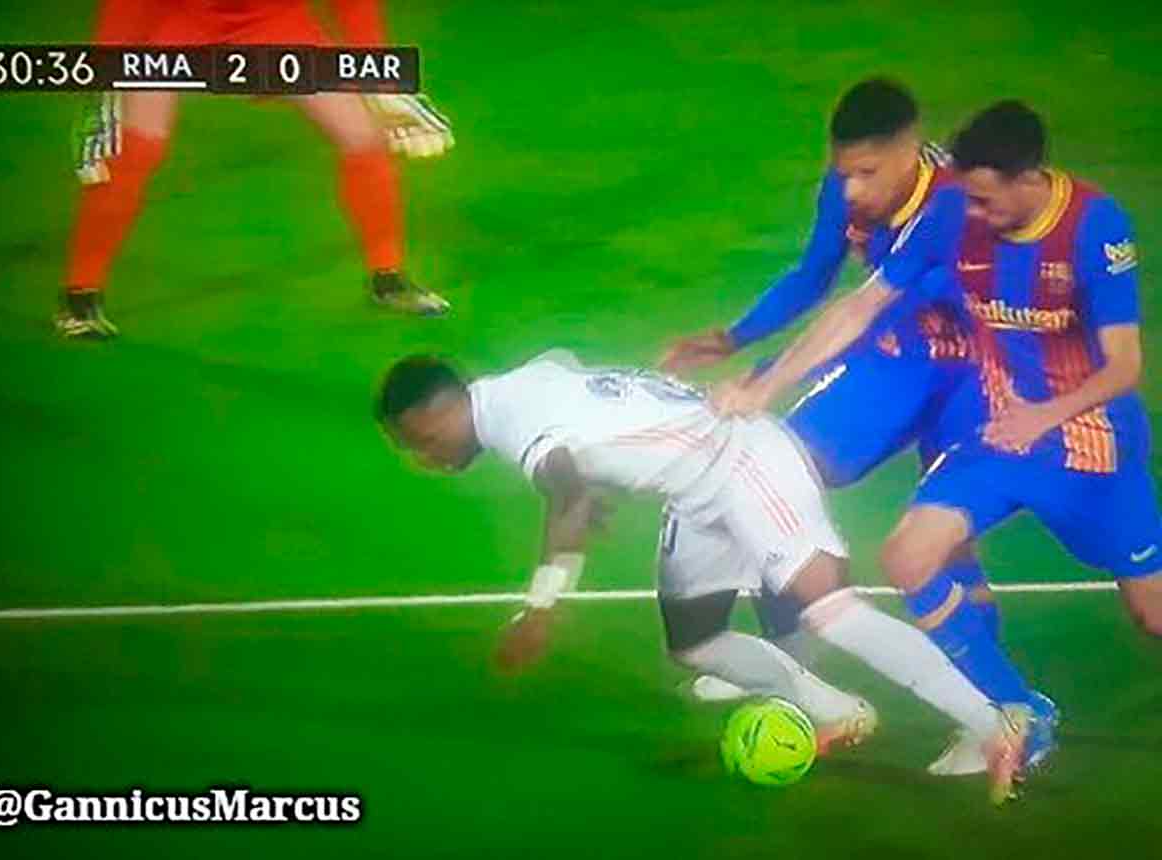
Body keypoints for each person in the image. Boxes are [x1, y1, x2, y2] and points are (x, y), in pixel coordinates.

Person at [713, 100, 1161, 772]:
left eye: (983, 200)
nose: (969, 214)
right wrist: (765, 384)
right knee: (908, 555)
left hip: (1092, 445)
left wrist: (1043, 416)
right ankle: (1018, 715)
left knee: (1152, 613)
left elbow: (1125, 365)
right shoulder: (955, 213)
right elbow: (860, 306)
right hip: (1000, 435)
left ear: (1027, 178)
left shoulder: (1094, 225)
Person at [376, 350, 1030, 804]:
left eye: (418, 441)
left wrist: (541, 609)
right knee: (693, 641)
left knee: (829, 610)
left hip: (743, 461)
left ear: (438, 413)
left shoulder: (516, 426)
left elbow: (566, 497)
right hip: (695, 492)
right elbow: (566, 369)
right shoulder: (515, 384)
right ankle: (834, 709)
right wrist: (592, 474)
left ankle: (992, 727)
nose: (424, 455)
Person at [661, 80, 1053, 772]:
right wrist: (733, 337)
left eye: (867, 172)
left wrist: (765, 382)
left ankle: (1012, 716)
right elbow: (815, 275)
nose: (851, 190)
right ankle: (788, 661)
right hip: (903, 352)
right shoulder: (847, 189)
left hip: (975, 373)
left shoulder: (954, 201)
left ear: (910, 149)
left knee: (943, 544)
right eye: (843, 172)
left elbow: (866, 307)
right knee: (775, 477)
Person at [57, 0, 451, 339]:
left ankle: (388, 278)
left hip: (273, 21)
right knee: (132, 151)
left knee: (364, 139)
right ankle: (80, 295)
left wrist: (380, 79)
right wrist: (103, 80)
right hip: (181, 19)